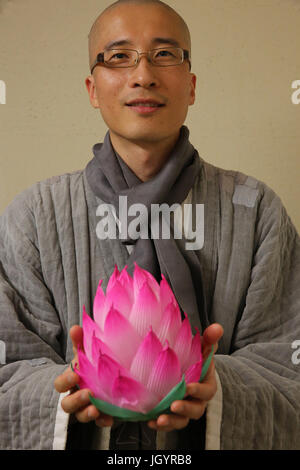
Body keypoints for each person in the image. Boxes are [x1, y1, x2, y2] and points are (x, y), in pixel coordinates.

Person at [0, 0, 299, 450]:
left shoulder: (254, 210)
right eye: (119, 56)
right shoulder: (34, 216)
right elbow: (7, 366)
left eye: (164, 54)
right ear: (92, 88)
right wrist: (68, 391)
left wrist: (215, 386)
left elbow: (287, 361)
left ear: (192, 85)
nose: (143, 75)